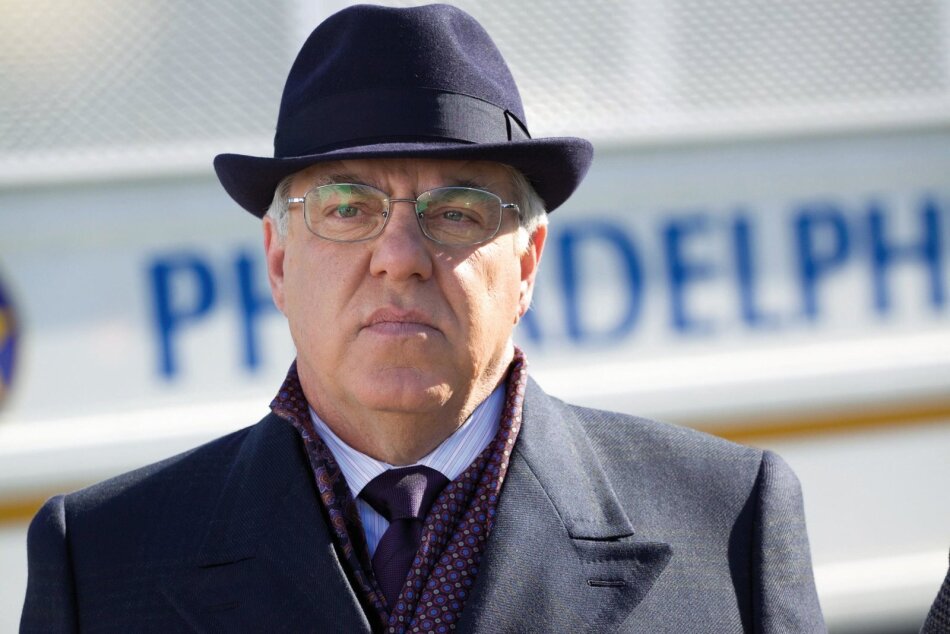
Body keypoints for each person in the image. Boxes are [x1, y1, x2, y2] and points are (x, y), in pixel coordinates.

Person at [20, 4, 825, 632]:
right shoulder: (101, 558)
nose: (400, 257)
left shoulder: (727, 523)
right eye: (346, 208)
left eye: (458, 212)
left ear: (527, 263)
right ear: (278, 261)